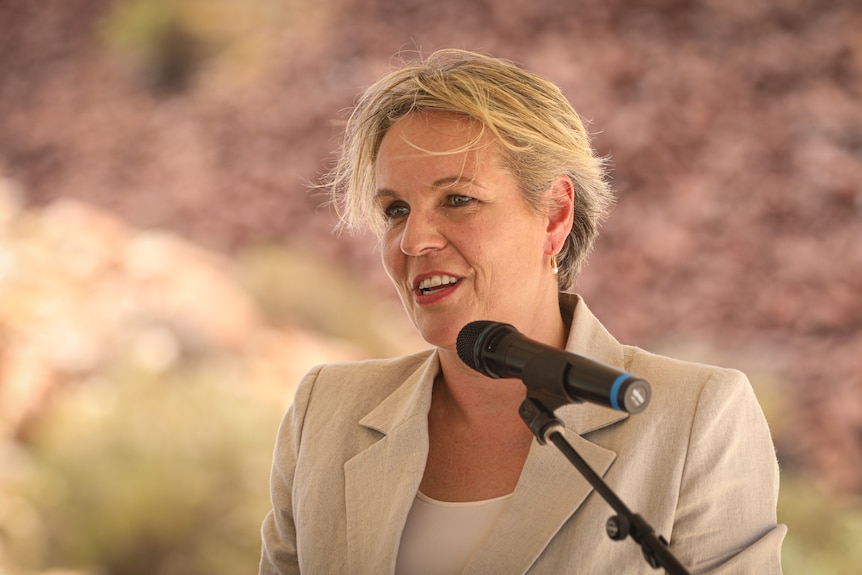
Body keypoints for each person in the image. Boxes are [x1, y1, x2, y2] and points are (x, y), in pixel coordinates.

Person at [258, 49, 786, 574]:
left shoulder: (698, 418)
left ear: (555, 215)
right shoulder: (323, 413)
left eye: (458, 199)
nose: (414, 240)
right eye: (396, 210)